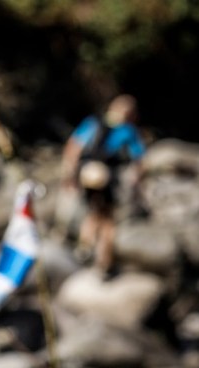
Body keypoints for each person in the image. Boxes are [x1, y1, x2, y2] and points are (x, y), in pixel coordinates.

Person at [60, 94, 146, 274]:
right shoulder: (127, 129)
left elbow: (73, 146)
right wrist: (138, 185)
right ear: (131, 114)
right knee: (107, 218)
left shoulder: (93, 122)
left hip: (87, 173)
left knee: (92, 211)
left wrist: (70, 174)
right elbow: (138, 158)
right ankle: (104, 261)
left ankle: (84, 248)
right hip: (106, 176)